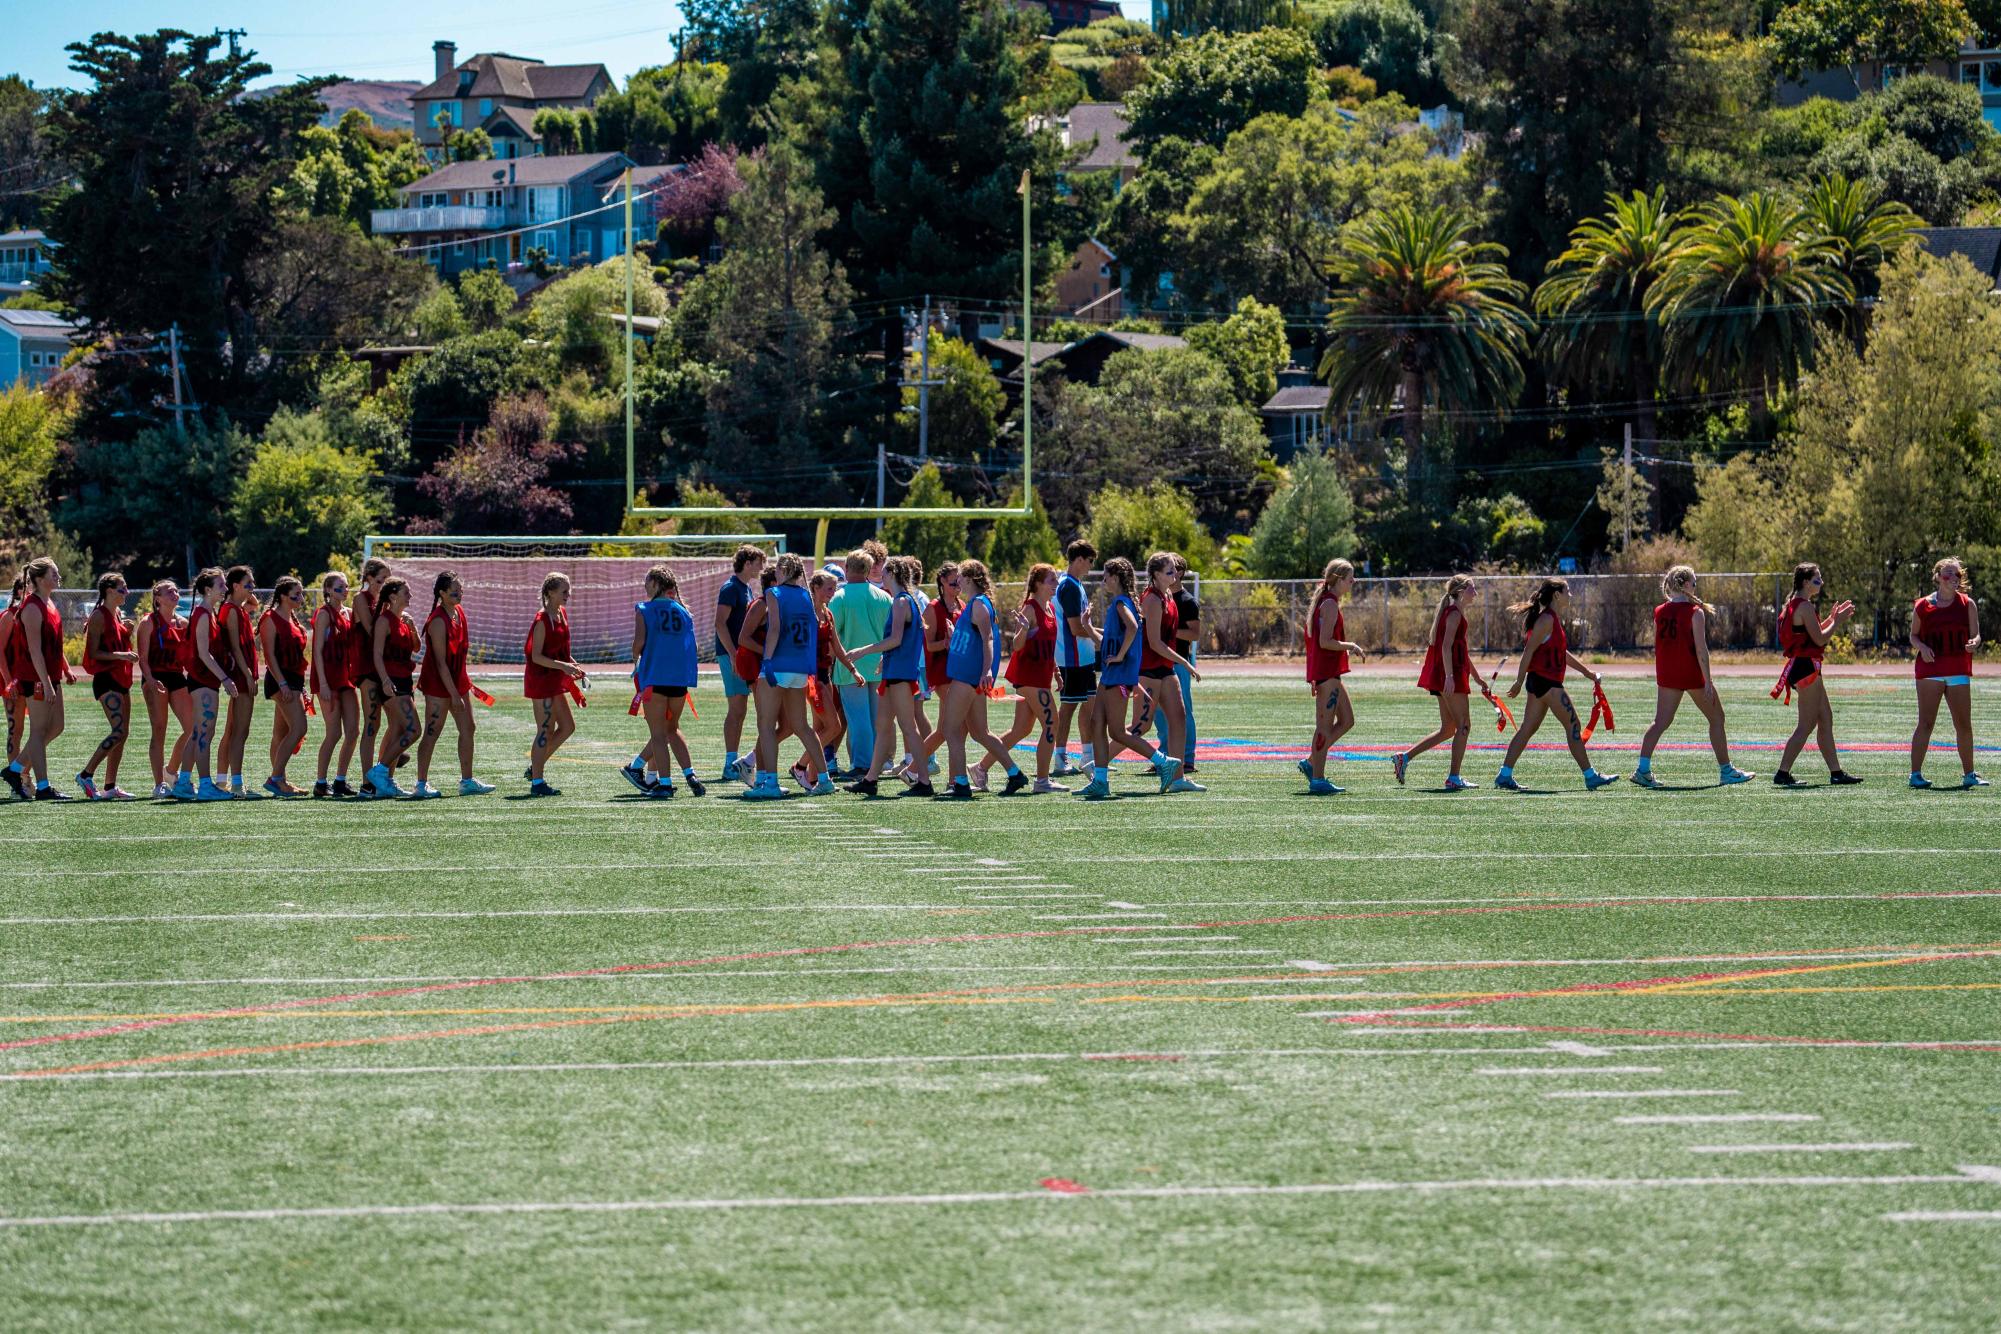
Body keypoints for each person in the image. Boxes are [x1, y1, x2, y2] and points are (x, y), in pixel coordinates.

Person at [1634, 566, 1755, 790]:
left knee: (1660, 722)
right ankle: (1727, 771)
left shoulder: (1659, 610)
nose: (1696, 586)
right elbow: (1701, 650)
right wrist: (1708, 680)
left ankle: (1642, 769)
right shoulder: (1694, 612)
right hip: (1690, 673)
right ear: (1685, 584)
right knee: (1717, 718)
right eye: (1694, 582)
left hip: (1668, 674)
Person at [1495, 578, 1620, 792]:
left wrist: (1587, 673)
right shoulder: (1546, 620)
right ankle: (1590, 776)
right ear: (1556, 595)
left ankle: (1504, 775)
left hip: (1540, 682)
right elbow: (1528, 651)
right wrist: (1518, 681)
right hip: (1546, 682)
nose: (1570, 595)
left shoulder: (1552, 619)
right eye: (1567, 591)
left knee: (1528, 728)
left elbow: (1562, 653)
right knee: (1573, 726)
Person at [913, 558, 1021, 799]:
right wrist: (954, 635)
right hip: (970, 674)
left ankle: (960, 783)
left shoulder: (979, 604)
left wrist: (987, 671)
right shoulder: (973, 604)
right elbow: (971, 642)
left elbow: (988, 640)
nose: (958, 580)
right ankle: (1014, 773)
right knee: (980, 732)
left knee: (951, 730)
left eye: (961, 576)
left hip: (968, 677)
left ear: (971, 579)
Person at [845, 556, 932, 797]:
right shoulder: (903, 600)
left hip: (901, 674)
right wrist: (885, 660)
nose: (880, 576)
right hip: (895, 671)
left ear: (892, 574)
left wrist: (863, 651)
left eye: (884, 572)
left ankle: (924, 781)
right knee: (882, 727)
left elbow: (895, 639)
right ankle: (870, 779)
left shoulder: (901, 602)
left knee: (908, 727)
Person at [1084, 557, 1172, 798]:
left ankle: (1163, 761)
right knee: (1096, 725)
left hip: (1119, 675)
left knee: (1117, 732)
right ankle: (1100, 780)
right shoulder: (1121, 603)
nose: (1103, 581)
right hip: (1111, 674)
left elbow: (1132, 628)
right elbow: (1109, 642)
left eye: (1105, 576)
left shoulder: (1121, 603)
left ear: (1115, 577)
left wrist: (1120, 657)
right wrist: (1089, 627)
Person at [1394, 575, 1489, 792]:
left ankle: (1404, 758)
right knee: (1464, 725)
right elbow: (1446, 647)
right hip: (1450, 675)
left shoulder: (1455, 611)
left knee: (1448, 729)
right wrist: (1449, 677)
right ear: (1460, 591)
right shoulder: (1454, 613)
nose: (1475, 593)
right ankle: (1454, 777)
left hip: (1449, 674)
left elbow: (1460, 650)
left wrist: (1475, 677)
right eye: (1472, 589)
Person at [976, 562, 1063, 792]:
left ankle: (980, 768)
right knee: (1052, 725)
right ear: (1038, 583)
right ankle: (1042, 781)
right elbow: (1016, 645)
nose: (1056, 584)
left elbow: (1047, 645)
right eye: (1051, 580)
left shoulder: (1050, 608)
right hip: (1030, 679)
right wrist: (1023, 629)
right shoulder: (1030, 609)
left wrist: (1056, 672)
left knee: (1021, 730)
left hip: (1041, 677)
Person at [1773, 562, 1860, 788]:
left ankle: (1836, 772)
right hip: (1805, 667)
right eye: (1817, 580)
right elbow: (1820, 639)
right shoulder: (1804, 606)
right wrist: (1837, 622)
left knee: (1825, 718)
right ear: (1805, 582)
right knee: (1807, 723)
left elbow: (1812, 634)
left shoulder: (1795, 605)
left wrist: (1831, 619)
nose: (1820, 583)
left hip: (1803, 666)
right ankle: (1782, 773)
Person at [748, 553, 826, 799]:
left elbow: (775, 628)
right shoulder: (805, 595)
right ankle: (824, 779)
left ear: (783, 570)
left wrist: (768, 660)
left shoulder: (775, 593)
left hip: (778, 665)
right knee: (802, 726)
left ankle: (770, 782)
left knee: (766, 725)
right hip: (800, 667)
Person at [414, 571, 494, 799]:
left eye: (461, 589)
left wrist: (462, 686)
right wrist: (454, 694)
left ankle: (467, 781)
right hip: (438, 685)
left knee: (468, 728)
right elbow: (440, 663)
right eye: (454, 590)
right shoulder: (438, 620)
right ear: (441, 593)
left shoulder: (459, 612)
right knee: (432, 732)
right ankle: (421, 784)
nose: (459, 593)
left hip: (456, 682)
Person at [1909, 556, 1985, 789]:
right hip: (1930, 670)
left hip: (1958, 668)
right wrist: (1922, 647)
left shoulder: (1967, 603)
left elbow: (1977, 635)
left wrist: (1975, 643)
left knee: (1963, 723)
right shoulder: (1923, 605)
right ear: (1938, 577)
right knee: (1926, 723)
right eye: (1948, 574)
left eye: (1957, 575)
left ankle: (1969, 774)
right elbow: (1913, 636)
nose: (1953, 578)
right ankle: (1915, 775)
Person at [629, 565, 705, 797]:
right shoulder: (684, 612)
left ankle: (664, 784)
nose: (644, 586)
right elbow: (694, 647)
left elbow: (639, 643)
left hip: (655, 677)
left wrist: (635, 659)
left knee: (659, 734)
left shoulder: (644, 609)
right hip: (679, 680)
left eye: (647, 581)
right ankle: (691, 774)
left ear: (655, 584)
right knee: (673, 728)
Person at [1136, 552, 1203, 794]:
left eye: (1175, 570)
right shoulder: (1154, 598)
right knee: (1140, 726)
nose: (1174, 575)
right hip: (1154, 667)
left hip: (1168, 665)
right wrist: (1182, 660)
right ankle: (1098, 767)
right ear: (1155, 574)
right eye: (1169, 571)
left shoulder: (1176, 599)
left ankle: (1180, 770)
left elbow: (1189, 635)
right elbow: (1155, 642)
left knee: (1180, 716)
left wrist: (1180, 660)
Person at [1297, 558, 1365, 796]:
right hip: (1327, 673)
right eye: (1349, 578)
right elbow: (1325, 642)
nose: (1353, 582)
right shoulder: (1329, 604)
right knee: (1324, 727)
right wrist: (1351, 646)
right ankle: (1317, 778)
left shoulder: (1328, 601)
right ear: (1337, 579)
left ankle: (1311, 762)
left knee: (1347, 720)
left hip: (1330, 672)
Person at [5, 557, 70, 800]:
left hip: (49, 677)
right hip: (36, 678)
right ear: (40, 579)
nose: (58, 577)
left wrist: (60, 673)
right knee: (39, 731)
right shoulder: (31, 607)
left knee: (57, 727)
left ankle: (15, 769)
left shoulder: (49, 602)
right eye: (54, 574)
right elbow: (34, 650)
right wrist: (46, 683)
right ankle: (43, 787)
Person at [75, 572, 140, 800]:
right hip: (106, 680)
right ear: (110, 591)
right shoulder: (99, 616)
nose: (127, 592)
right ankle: (85, 774)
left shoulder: (117, 614)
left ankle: (110, 785)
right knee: (118, 731)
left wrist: (127, 632)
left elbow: (114, 641)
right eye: (122, 588)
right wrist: (122, 655)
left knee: (123, 733)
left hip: (122, 679)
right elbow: (93, 653)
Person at [524, 572, 587, 797]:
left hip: (554, 679)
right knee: (545, 729)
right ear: (550, 592)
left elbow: (559, 651)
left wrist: (572, 665)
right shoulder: (541, 620)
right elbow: (537, 657)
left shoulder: (561, 614)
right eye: (564, 591)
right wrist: (564, 666)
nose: (568, 595)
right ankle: (537, 781)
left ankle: (536, 767)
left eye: (568, 591)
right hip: (541, 680)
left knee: (568, 727)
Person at [830, 549, 892, 777]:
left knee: (858, 720)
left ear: (847, 569)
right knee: (877, 719)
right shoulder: (884, 597)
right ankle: (876, 764)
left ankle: (863, 765)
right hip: (880, 665)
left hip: (851, 667)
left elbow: (832, 633)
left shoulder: (840, 597)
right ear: (867, 570)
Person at [180, 568, 236, 801]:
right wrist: (225, 678)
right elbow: (203, 653)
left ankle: (183, 782)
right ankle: (204, 784)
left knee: (198, 733)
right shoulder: (203, 613)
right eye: (221, 585)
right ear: (207, 589)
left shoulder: (209, 612)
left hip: (204, 680)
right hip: (203, 680)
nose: (225, 589)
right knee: (205, 732)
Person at [134, 578, 193, 799]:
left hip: (176, 676)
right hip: (155, 676)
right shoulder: (148, 622)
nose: (175, 593)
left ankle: (171, 771)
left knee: (193, 727)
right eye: (169, 591)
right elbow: (143, 658)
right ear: (157, 598)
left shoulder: (183, 623)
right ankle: (159, 784)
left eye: (176, 590)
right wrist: (149, 679)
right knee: (159, 729)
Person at [714, 544, 766, 782]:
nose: (761, 568)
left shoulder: (745, 589)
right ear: (747, 563)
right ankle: (729, 763)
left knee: (742, 709)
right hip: (732, 655)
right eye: (758, 563)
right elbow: (719, 624)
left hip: (741, 655)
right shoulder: (731, 588)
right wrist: (734, 654)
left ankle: (736, 762)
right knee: (737, 709)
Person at [257, 577, 312, 797]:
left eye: (301, 594)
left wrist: (300, 686)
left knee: (281, 733)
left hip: (294, 681)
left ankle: (281, 781)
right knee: (299, 728)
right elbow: (269, 656)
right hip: (281, 680)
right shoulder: (270, 618)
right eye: (295, 595)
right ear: (282, 596)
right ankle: (276, 778)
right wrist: (283, 683)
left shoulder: (293, 619)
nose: (300, 598)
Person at [366, 577, 421, 798]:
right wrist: (385, 680)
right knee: (414, 729)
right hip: (392, 682)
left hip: (405, 681)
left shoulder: (403, 620)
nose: (411, 596)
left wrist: (413, 627)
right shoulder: (383, 621)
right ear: (393, 596)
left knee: (398, 730)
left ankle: (385, 782)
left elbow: (415, 647)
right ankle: (380, 771)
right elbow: (376, 655)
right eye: (406, 592)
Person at [1051, 540, 1100, 778]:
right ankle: (1060, 758)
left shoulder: (1075, 584)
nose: (1091, 567)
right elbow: (1075, 628)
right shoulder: (1068, 586)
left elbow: (1084, 625)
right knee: (1068, 709)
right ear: (1079, 559)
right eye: (1090, 561)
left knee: (1089, 707)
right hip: (1073, 659)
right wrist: (1105, 636)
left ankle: (1088, 758)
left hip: (1083, 657)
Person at [310, 572, 359, 798]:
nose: (345, 591)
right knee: (334, 732)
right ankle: (321, 782)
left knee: (352, 731)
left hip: (346, 677)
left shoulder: (349, 613)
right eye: (339, 588)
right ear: (328, 590)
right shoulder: (324, 614)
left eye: (346, 587)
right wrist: (323, 683)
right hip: (328, 677)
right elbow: (317, 651)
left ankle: (340, 780)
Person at [731, 566, 779, 784]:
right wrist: (768, 653)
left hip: (767, 666)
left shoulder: (776, 604)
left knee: (784, 722)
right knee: (766, 720)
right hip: (756, 667)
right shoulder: (761, 605)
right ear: (773, 584)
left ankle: (749, 761)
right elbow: (743, 638)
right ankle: (760, 774)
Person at [215, 565, 260, 798]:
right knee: (240, 732)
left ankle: (223, 781)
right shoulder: (231, 610)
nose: (253, 588)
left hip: (242, 674)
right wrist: (249, 674)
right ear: (234, 586)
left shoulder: (238, 608)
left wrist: (245, 590)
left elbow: (254, 604)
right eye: (249, 584)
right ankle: (237, 784)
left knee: (232, 731)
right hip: (241, 675)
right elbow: (234, 646)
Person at [350, 558, 391, 798]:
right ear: (367, 578)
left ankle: (385, 767)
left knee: (397, 722)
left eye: (387, 580)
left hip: (384, 668)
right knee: (371, 724)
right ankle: (367, 782)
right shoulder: (360, 599)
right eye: (380, 580)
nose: (384, 585)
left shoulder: (385, 602)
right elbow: (372, 630)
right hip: (367, 668)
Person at [0, 573, 28, 772]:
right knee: (15, 729)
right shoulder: (10, 615)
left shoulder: (36, 613)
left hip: (31, 679)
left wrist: (66, 668)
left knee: (41, 730)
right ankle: (17, 782)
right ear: (20, 591)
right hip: (12, 680)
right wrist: (9, 682)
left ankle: (22, 774)